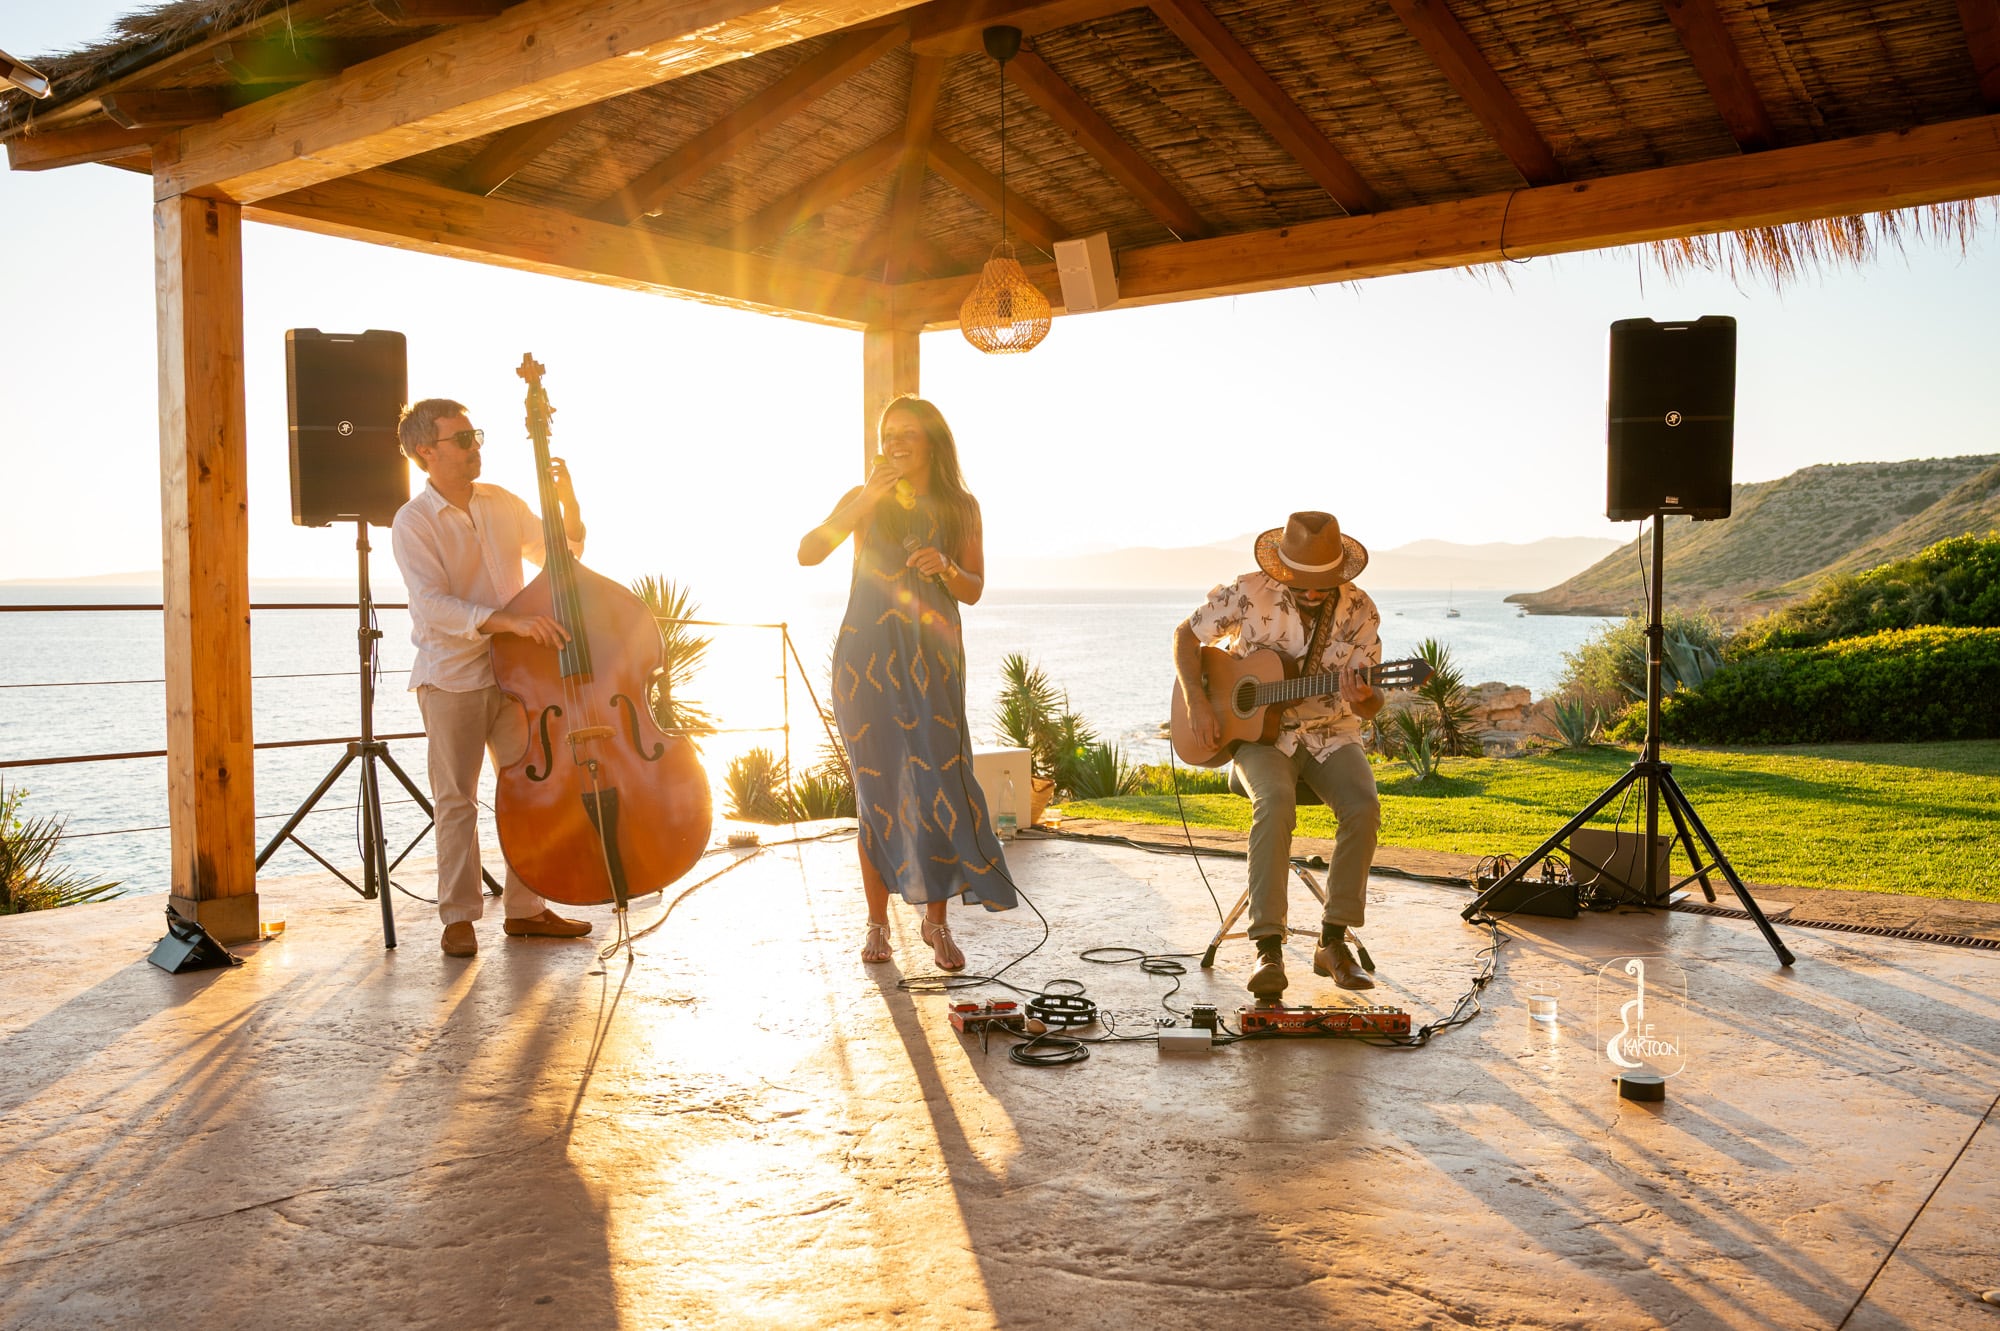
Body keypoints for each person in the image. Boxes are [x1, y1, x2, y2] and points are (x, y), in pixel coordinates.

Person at [798, 395, 1015, 971]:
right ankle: (875, 925)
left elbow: (972, 588)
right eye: (887, 432)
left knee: (939, 788)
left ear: (932, 440)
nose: (895, 440)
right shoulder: (862, 501)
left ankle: (935, 924)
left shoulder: (960, 506)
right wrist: (866, 498)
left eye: (908, 432)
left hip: (934, 661)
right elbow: (808, 552)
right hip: (865, 659)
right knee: (878, 790)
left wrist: (945, 565)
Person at [390, 397, 594, 959]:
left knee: (527, 790)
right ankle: (457, 917)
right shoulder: (412, 522)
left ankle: (526, 910)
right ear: (425, 451)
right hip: (451, 677)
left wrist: (568, 505)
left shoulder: (502, 502)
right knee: (456, 800)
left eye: (475, 435)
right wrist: (511, 621)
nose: (475, 446)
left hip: (516, 677)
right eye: (461, 439)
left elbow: (562, 556)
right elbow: (433, 606)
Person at [1172, 512, 1386, 999]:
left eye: (1323, 583)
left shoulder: (1360, 611)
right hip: (1257, 738)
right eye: (1303, 582)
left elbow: (1374, 705)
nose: (1313, 592)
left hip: (1330, 731)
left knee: (1363, 806)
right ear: (1284, 569)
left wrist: (1364, 696)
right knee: (1275, 802)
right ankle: (1268, 947)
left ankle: (1333, 943)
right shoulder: (1249, 592)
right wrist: (1198, 702)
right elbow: (1185, 636)